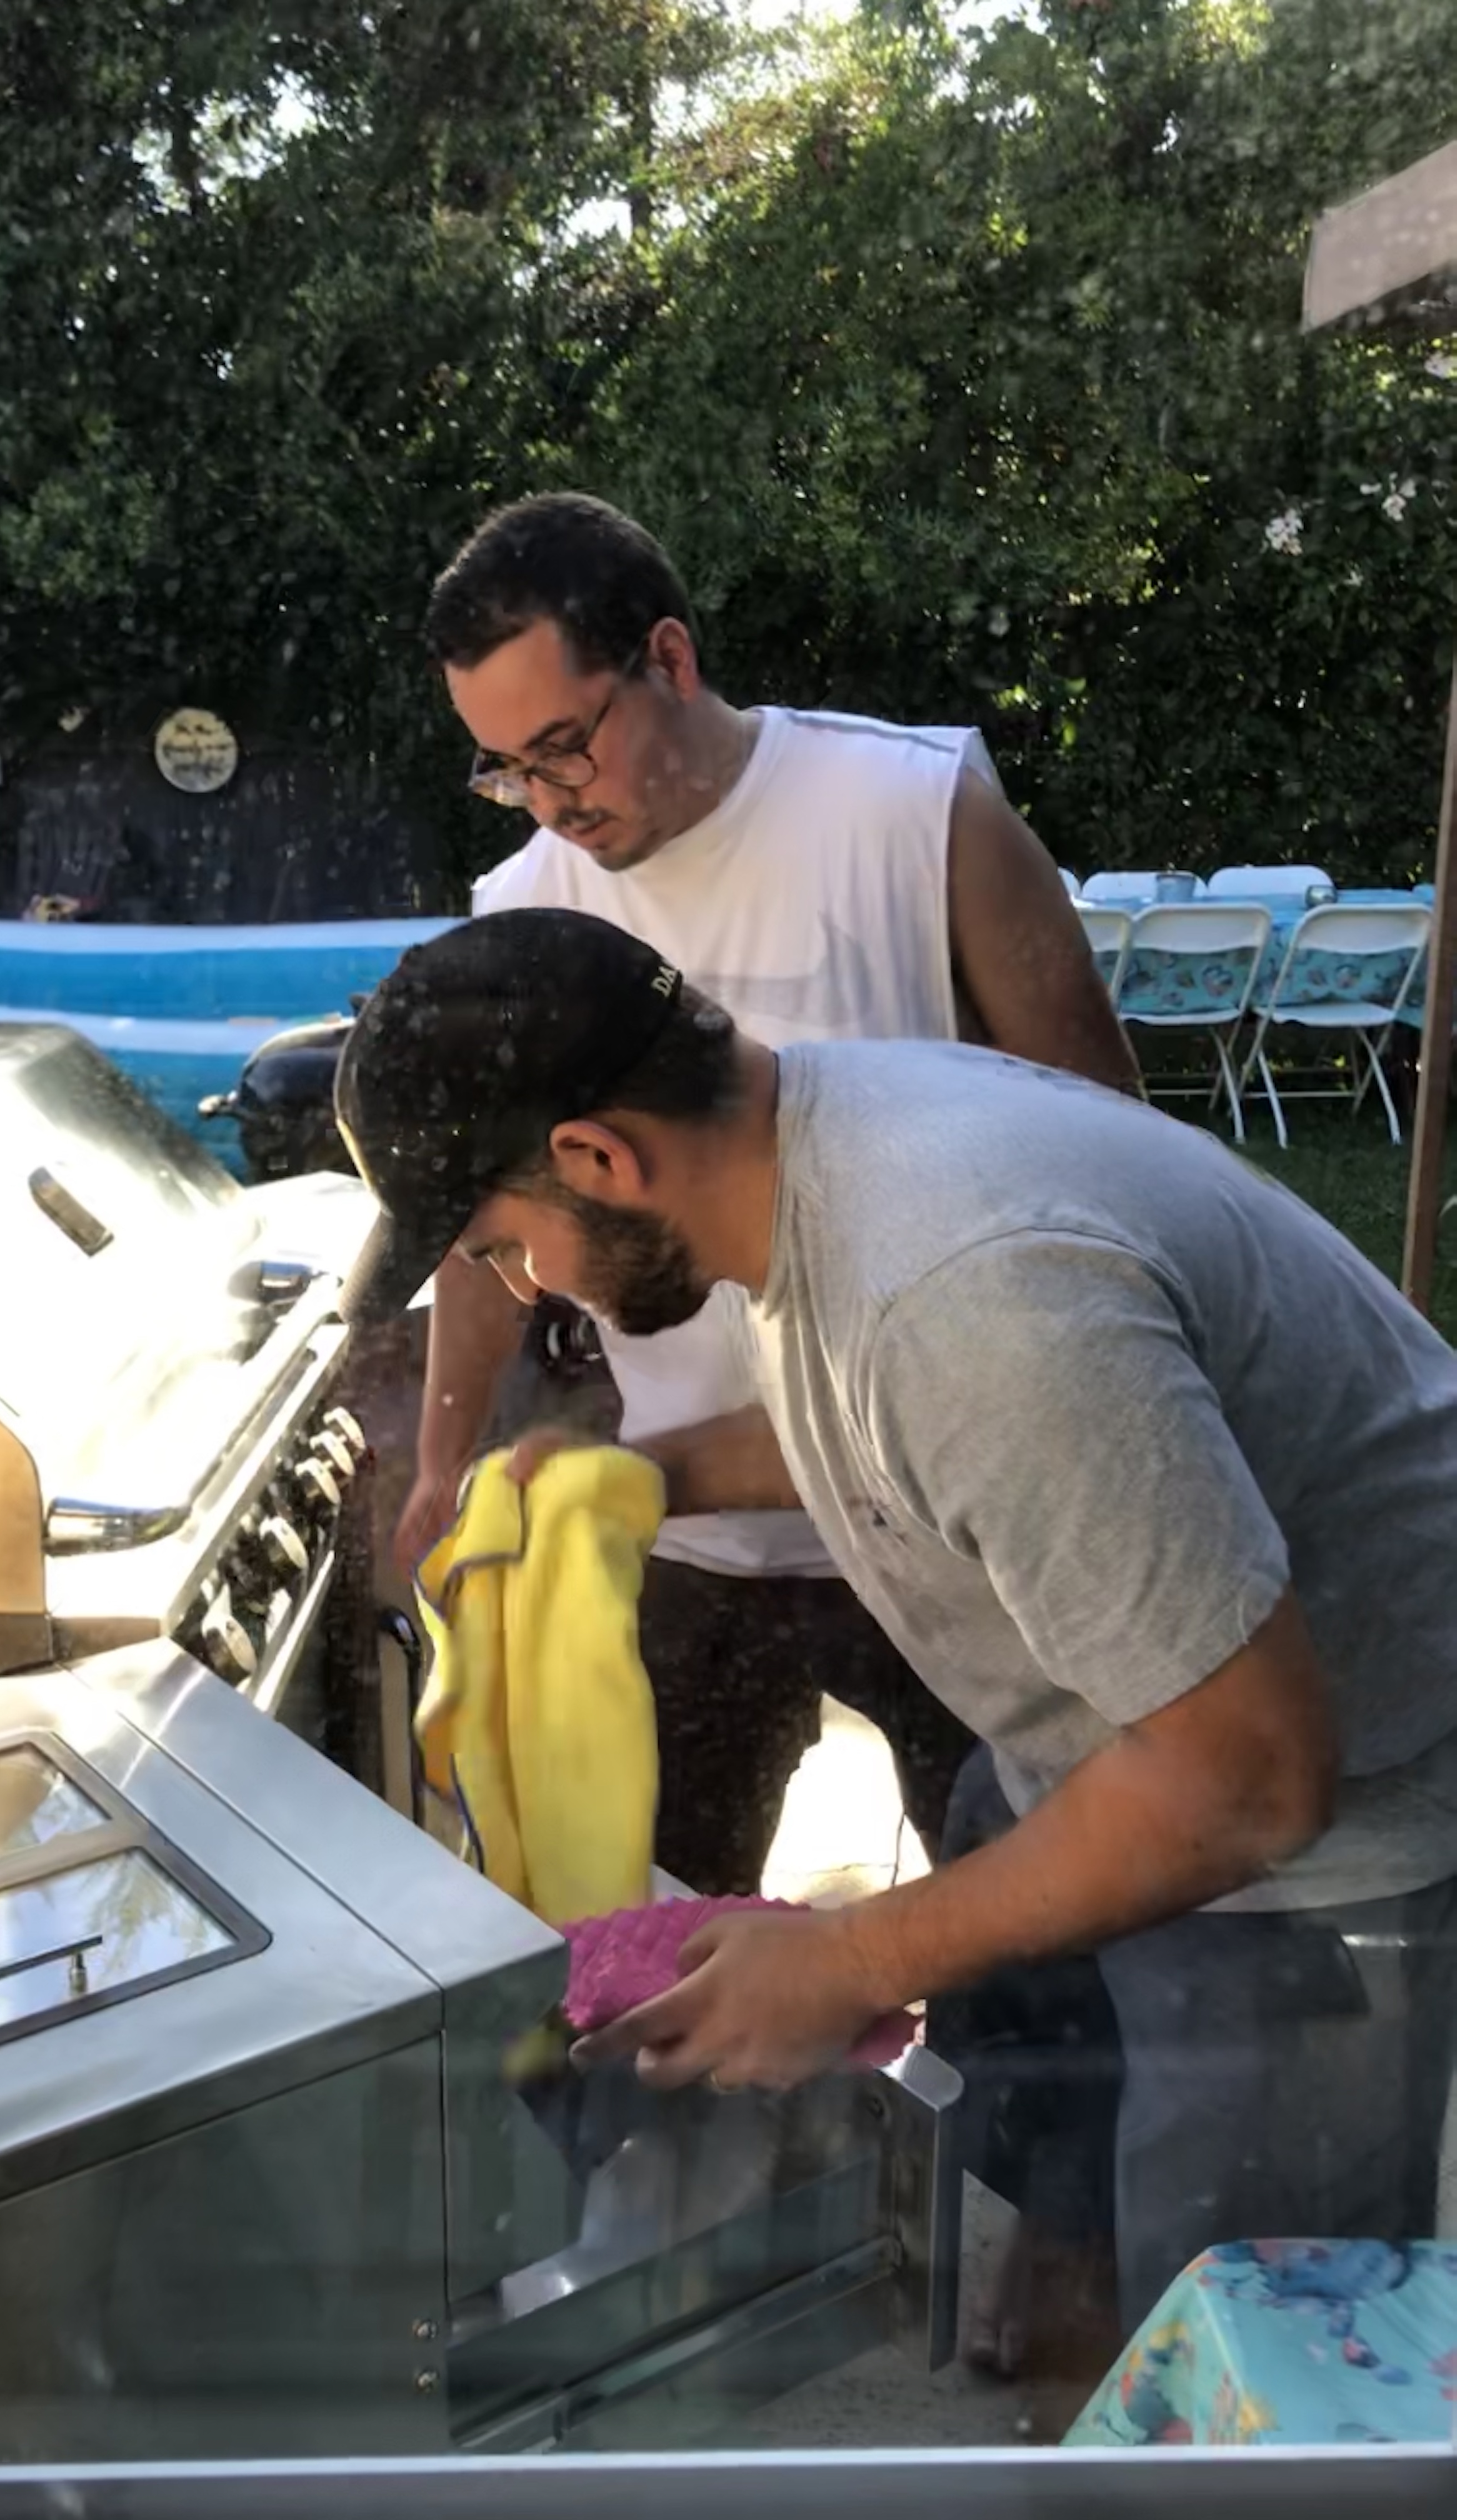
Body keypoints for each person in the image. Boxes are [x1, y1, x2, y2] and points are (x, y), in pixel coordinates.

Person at [333, 908, 1457, 2334]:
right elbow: (900, 1429)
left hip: (1314, 1853)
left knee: (1260, 2357)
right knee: (1100, 2218)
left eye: (504, 1247)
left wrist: (850, 1962)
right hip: (1115, 1737)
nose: (525, 1288)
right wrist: (644, 1477)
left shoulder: (970, 1292)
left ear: (599, 1160)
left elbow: (1248, 1781)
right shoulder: (825, 1140)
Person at [402, 492, 1138, 1896]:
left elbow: (1111, 1148)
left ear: (670, 658)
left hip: (953, 1523)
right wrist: (443, 1457)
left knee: (1041, 1931)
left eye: (566, 745)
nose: (553, 801)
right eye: (504, 770)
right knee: (649, 1923)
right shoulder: (523, 912)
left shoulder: (915, 815)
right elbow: (480, 1219)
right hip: (683, 1522)